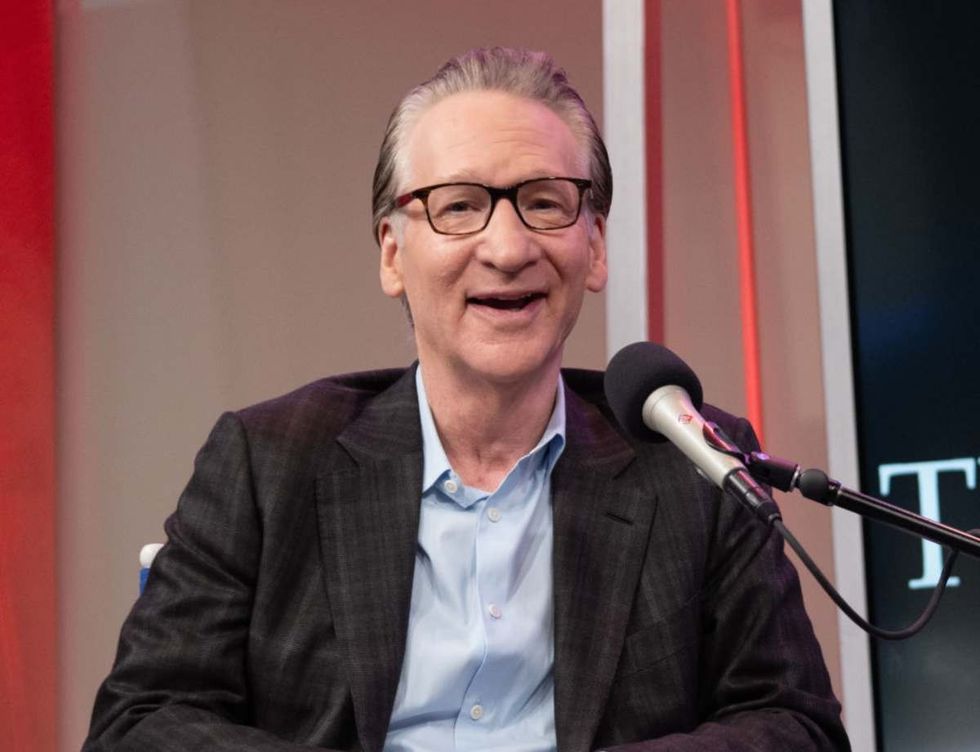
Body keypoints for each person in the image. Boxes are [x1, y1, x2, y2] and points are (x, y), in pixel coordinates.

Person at [84, 47, 849, 751]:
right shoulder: (270, 462)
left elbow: (796, 726)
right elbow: (140, 724)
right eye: (458, 206)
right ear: (393, 254)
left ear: (594, 247)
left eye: (545, 203)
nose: (508, 248)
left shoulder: (691, 462)